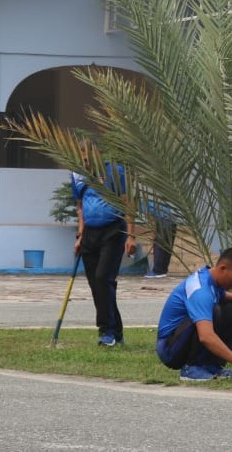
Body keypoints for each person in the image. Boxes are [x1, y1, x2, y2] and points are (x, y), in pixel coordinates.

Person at [156, 246, 232, 381]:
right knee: (214, 312)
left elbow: (220, 295)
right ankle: (192, 368)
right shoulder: (200, 290)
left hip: (179, 340)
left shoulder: (209, 278)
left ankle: (211, 366)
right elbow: (206, 336)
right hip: (169, 350)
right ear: (223, 268)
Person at [71, 146, 137, 346]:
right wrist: (80, 235)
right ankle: (116, 332)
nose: (86, 163)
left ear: (98, 155)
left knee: (102, 278)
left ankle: (106, 331)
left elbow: (127, 203)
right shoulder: (78, 176)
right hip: (90, 233)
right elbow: (80, 206)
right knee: (97, 285)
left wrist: (131, 236)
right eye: (83, 159)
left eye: (89, 158)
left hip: (113, 230)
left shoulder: (116, 172)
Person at [144, 198, 176, 279]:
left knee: (159, 245)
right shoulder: (151, 201)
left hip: (164, 222)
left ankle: (157, 271)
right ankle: (163, 271)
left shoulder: (143, 205)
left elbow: (151, 219)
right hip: (172, 221)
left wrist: (154, 232)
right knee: (167, 247)